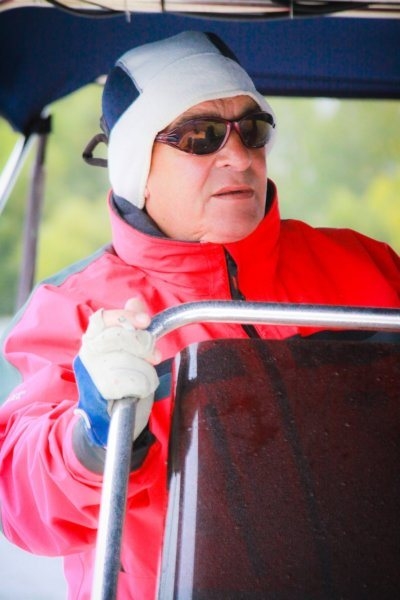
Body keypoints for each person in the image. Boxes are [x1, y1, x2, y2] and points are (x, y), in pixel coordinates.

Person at [0, 31, 399, 600]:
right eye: (200, 136)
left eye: (252, 129)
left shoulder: (368, 268)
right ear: (138, 167)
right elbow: (19, 504)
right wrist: (90, 437)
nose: (239, 156)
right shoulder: (75, 308)